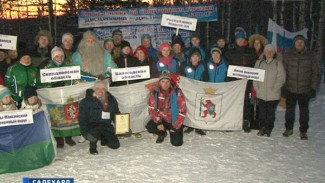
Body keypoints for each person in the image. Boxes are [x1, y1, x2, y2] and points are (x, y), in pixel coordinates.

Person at [282, 35, 320, 140]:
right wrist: (283, 86)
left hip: (305, 89)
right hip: (290, 88)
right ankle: (288, 128)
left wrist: (313, 88)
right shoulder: (288, 55)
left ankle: (303, 131)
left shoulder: (311, 56)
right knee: (289, 110)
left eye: (301, 42)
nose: (299, 44)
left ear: (304, 44)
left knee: (304, 112)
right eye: (297, 42)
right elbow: (283, 72)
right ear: (294, 44)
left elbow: (316, 74)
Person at [225, 27, 258, 133]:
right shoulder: (230, 52)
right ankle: (233, 121)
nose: (240, 41)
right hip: (234, 81)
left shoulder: (250, 51)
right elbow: (228, 66)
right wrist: (234, 76)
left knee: (246, 102)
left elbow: (254, 66)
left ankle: (245, 121)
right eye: (238, 39)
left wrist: (249, 75)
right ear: (235, 40)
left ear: (244, 40)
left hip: (247, 81)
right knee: (234, 101)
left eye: (242, 39)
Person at [79, 80, 120, 155]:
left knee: (115, 145)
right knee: (95, 131)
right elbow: (82, 119)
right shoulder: (86, 102)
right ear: (94, 89)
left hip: (106, 126)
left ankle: (103, 138)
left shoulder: (111, 100)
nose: (100, 91)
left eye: (103, 89)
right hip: (93, 126)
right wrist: (85, 133)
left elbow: (116, 114)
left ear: (106, 90)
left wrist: (123, 127)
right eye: (98, 88)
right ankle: (93, 146)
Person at [146, 70, 186, 146]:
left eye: (167, 81)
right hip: (162, 119)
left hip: (173, 120)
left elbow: (182, 111)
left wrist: (175, 126)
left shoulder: (177, 92)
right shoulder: (155, 93)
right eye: (163, 82)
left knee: (177, 143)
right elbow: (152, 109)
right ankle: (162, 133)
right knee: (150, 126)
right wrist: (159, 122)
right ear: (159, 83)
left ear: (170, 82)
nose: (165, 84)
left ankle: (175, 130)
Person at [253, 44, 285, 137]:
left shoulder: (277, 63)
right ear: (264, 53)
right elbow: (255, 77)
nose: (269, 53)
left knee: (270, 113)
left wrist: (275, 89)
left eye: (271, 51)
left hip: (273, 94)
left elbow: (281, 78)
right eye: (267, 51)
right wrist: (257, 88)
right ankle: (262, 127)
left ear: (274, 53)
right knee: (262, 112)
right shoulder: (259, 63)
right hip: (261, 93)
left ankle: (268, 128)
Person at [181, 48, 207, 135]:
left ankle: (198, 126)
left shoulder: (203, 66)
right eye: (193, 56)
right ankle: (190, 125)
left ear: (199, 58)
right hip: (188, 91)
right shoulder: (185, 66)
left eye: (197, 56)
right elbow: (181, 78)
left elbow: (205, 78)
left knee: (199, 108)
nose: (195, 58)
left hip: (199, 91)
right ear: (190, 58)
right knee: (189, 108)